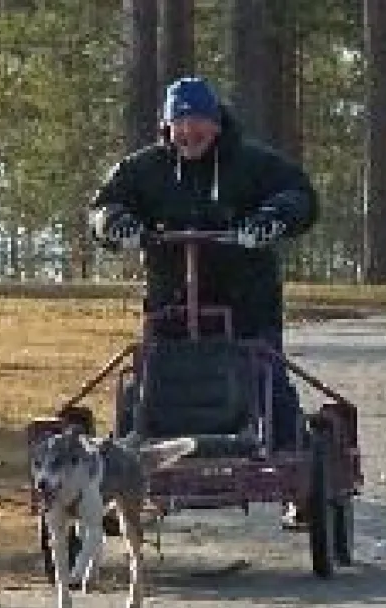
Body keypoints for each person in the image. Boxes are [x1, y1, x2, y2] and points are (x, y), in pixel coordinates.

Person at [89, 75, 319, 459]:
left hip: (247, 301)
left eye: (197, 121)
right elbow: (104, 206)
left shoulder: (253, 163)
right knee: (146, 386)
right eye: (179, 121)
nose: (188, 131)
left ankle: (293, 462)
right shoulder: (143, 169)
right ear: (166, 125)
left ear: (216, 123)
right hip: (171, 305)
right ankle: (126, 467)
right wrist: (115, 224)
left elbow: (299, 195)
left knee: (266, 380)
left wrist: (272, 218)